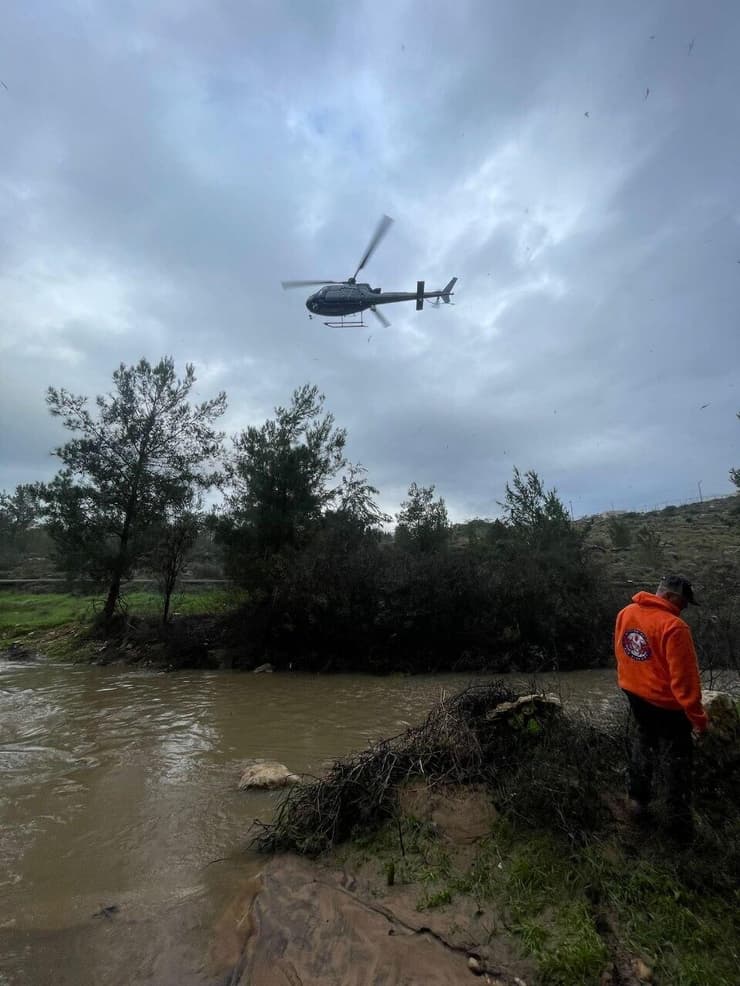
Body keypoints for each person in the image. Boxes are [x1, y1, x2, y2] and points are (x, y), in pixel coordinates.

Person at [614, 574, 709, 840]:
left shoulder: (627, 612)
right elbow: (685, 683)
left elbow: (622, 653)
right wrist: (699, 721)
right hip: (667, 707)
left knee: (643, 744)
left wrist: (629, 683)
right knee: (678, 764)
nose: (684, 609)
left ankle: (637, 803)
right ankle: (679, 828)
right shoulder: (674, 627)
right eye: (683, 602)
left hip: (635, 695)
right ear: (669, 596)